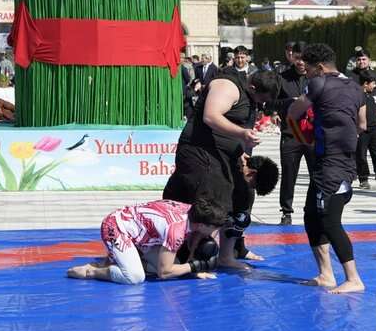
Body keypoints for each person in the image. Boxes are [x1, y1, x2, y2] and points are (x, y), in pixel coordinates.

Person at [162, 55, 280, 269]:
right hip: (199, 151)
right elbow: (211, 116)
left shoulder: (250, 97)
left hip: (224, 155)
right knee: (209, 205)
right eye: (261, 98)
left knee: (242, 198)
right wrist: (241, 134)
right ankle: (188, 259)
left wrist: (240, 151)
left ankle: (228, 254)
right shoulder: (227, 86)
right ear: (252, 87)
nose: (261, 104)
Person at [287, 43, 367, 294]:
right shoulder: (356, 87)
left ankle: (353, 278)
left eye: (309, 70)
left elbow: (292, 113)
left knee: (330, 220)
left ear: (320, 68)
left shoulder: (318, 83)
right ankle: (326, 274)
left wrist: (304, 138)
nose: (307, 76)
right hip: (336, 159)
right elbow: (363, 124)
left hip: (333, 163)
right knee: (311, 215)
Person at [66, 199, 227, 284]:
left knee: (177, 265)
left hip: (139, 231)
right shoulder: (176, 231)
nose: (216, 232)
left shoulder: (192, 210)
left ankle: (124, 260)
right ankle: (92, 271)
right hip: (116, 227)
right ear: (201, 225)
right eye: (214, 228)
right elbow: (164, 273)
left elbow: (193, 237)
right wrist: (196, 266)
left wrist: (191, 271)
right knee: (134, 277)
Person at [274, 41, 311, 225]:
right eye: (297, 58)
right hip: (291, 133)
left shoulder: (317, 77)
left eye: (304, 58)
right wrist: (290, 102)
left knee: (317, 173)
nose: (301, 62)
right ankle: (286, 211)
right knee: (289, 174)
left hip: (312, 133)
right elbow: (271, 103)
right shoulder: (282, 78)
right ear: (292, 57)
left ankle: (313, 208)